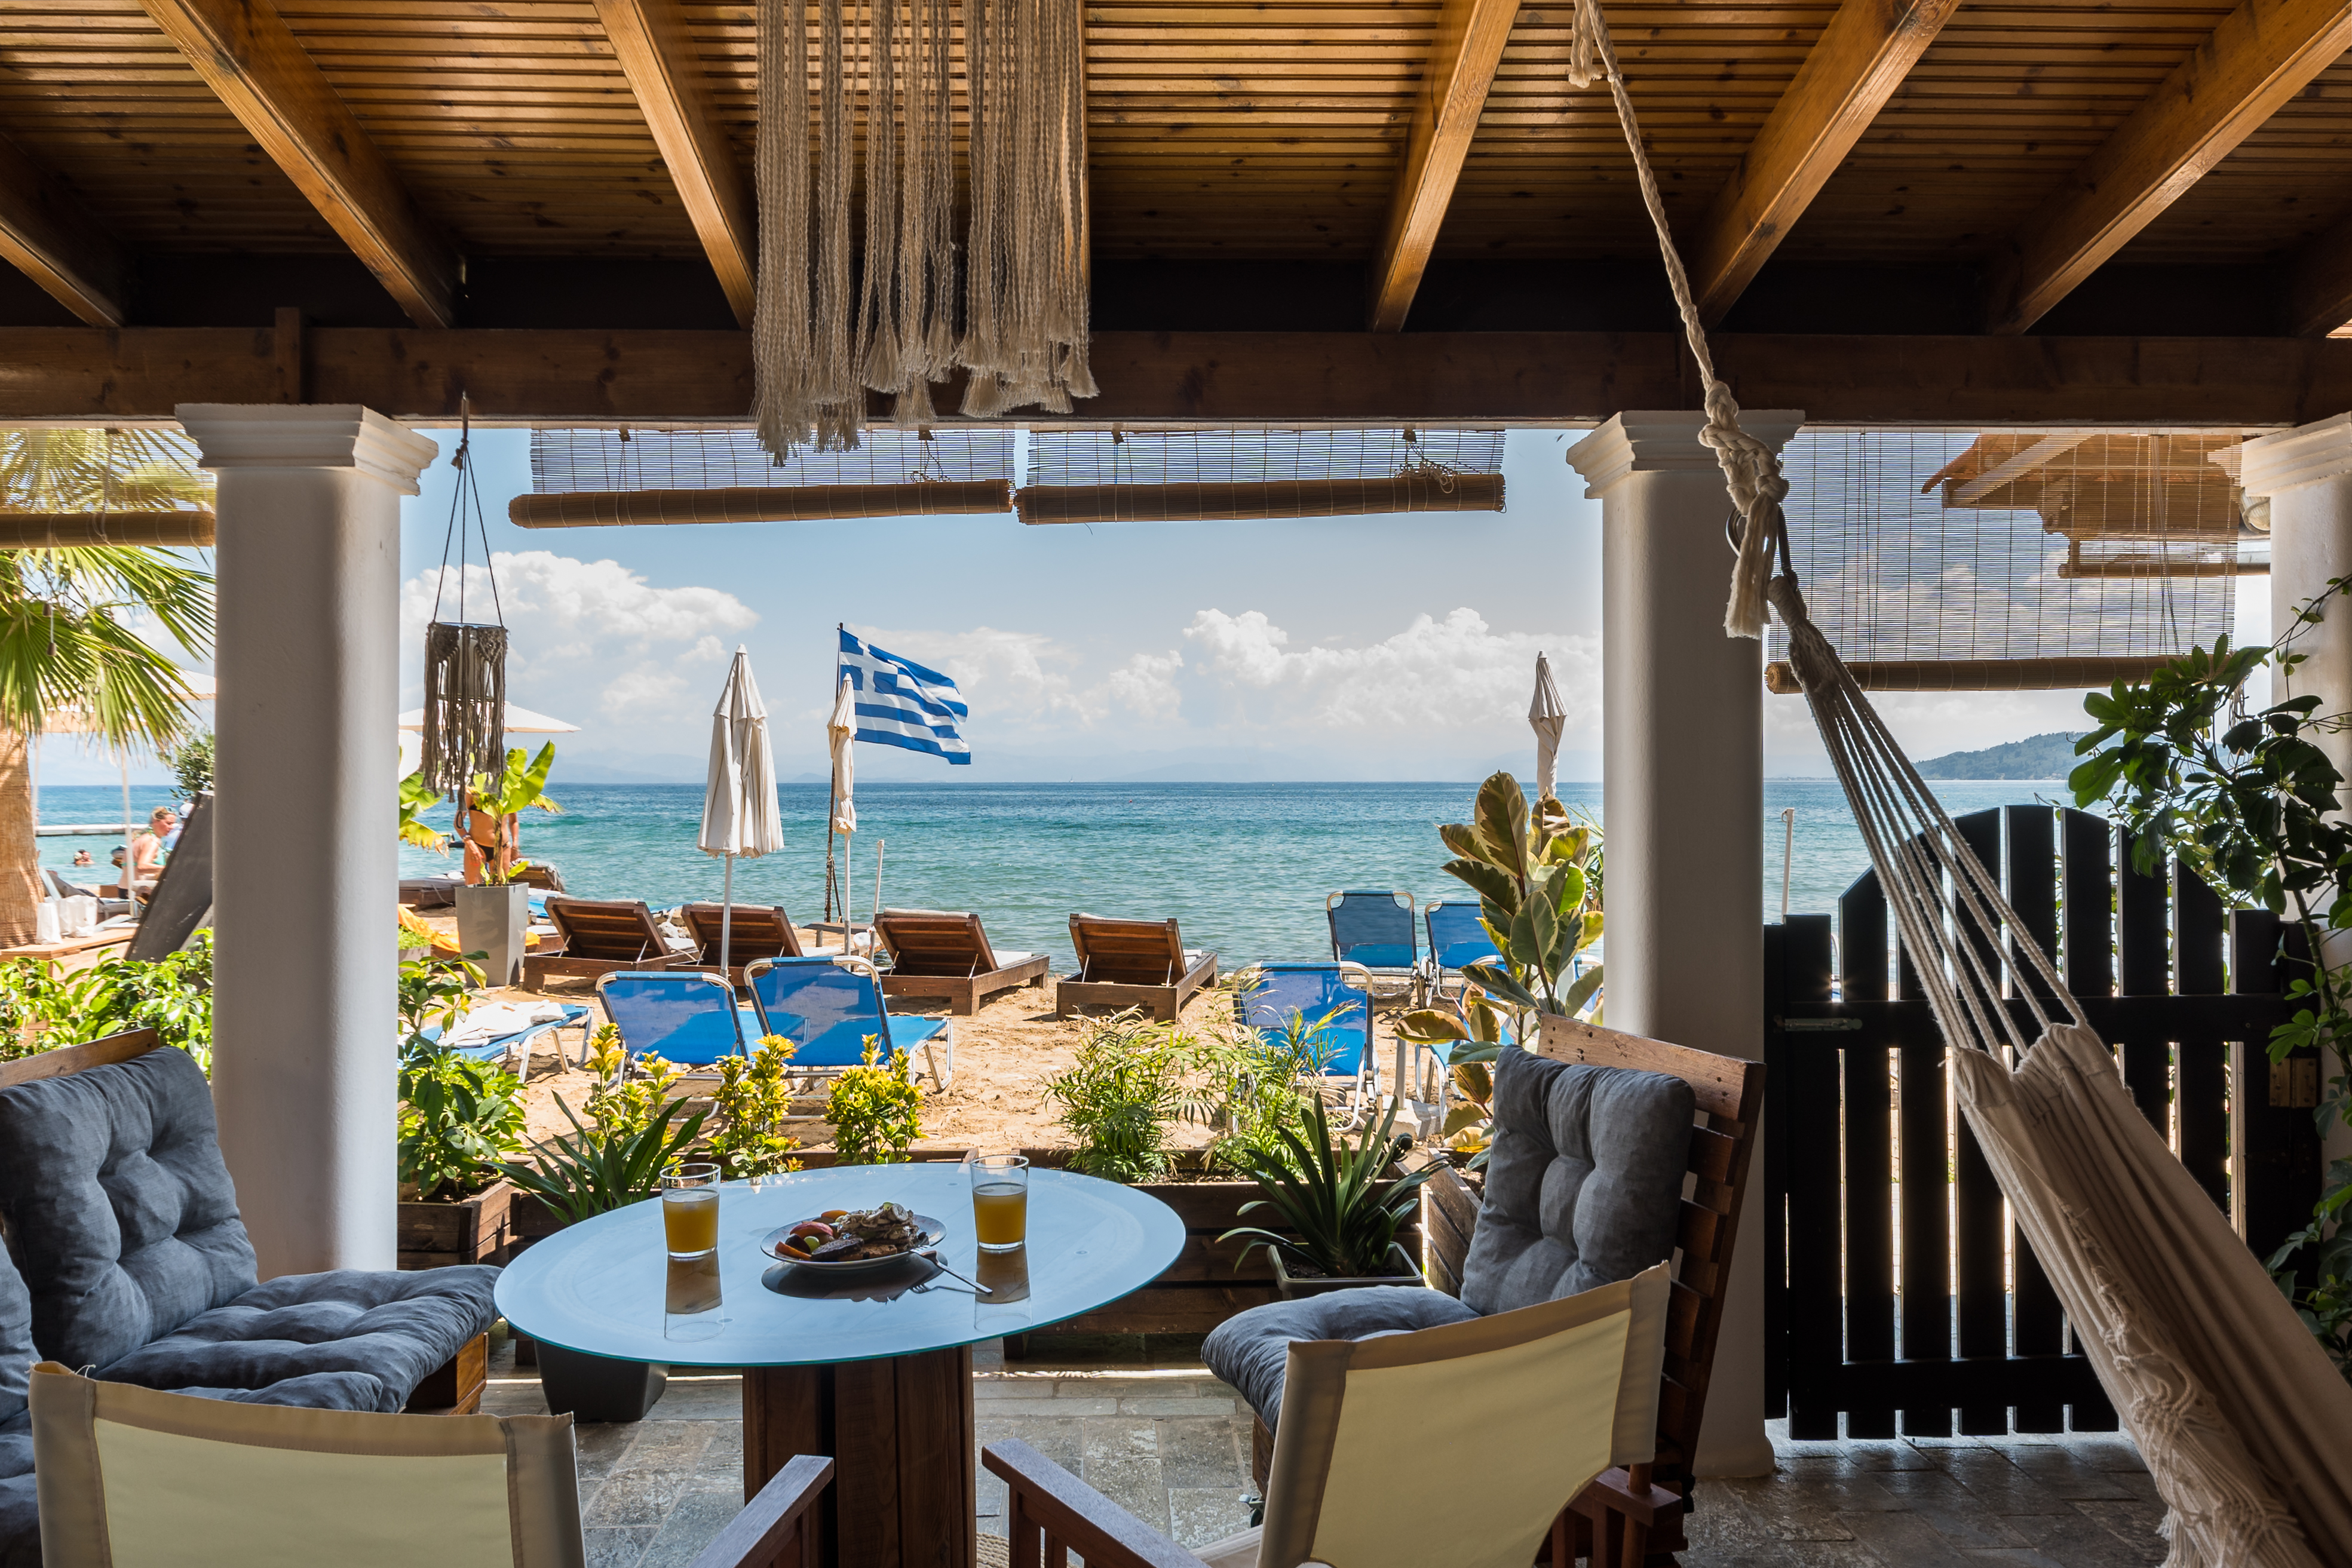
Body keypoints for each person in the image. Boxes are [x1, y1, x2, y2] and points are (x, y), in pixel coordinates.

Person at [129, 806, 175, 891]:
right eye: (169, 823)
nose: (172, 827)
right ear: (155, 821)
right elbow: (142, 866)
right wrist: (170, 869)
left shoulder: (141, 837)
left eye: (173, 824)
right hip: (138, 892)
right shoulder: (152, 841)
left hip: (127, 888)